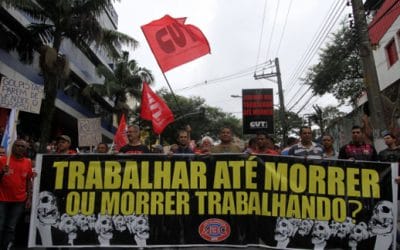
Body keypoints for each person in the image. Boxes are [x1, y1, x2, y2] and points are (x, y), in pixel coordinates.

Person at [0, 139, 33, 249]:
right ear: (13, 147)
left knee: (11, 227)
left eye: (22, 146)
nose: (20, 148)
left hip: (19, 201)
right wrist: (1, 172)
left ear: (26, 149)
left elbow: (29, 181)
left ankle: (5, 247)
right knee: (0, 225)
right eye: (17, 145)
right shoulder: (3, 160)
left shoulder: (28, 162)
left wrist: (29, 198)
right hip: (2, 199)